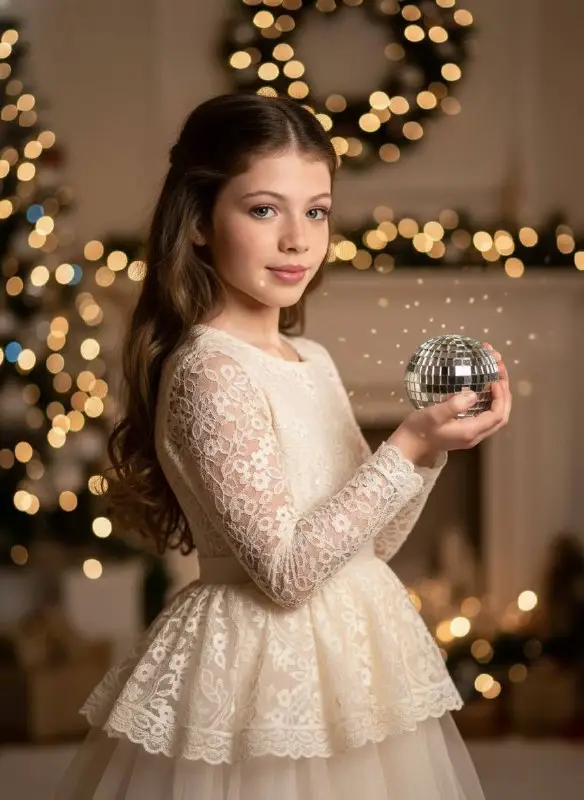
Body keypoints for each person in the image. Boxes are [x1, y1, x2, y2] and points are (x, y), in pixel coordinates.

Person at [54, 93, 511, 799]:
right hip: (260, 671)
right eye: (264, 209)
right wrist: (407, 440)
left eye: (317, 210)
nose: (298, 238)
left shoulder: (314, 359)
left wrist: (429, 449)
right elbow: (287, 573)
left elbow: (371, 544)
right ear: (200, 221)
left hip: (355, 665)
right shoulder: (209, 369)